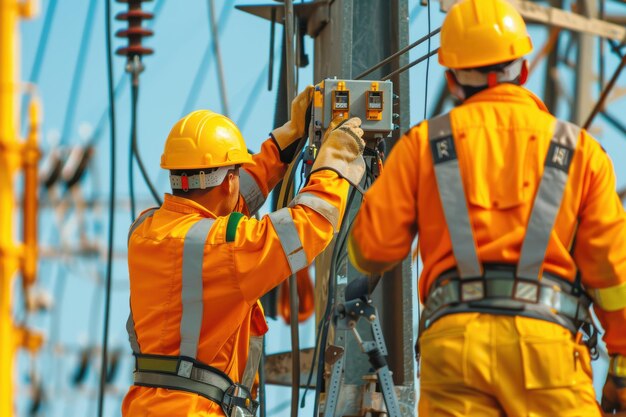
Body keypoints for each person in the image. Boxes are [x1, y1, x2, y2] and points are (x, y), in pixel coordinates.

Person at [347, 0, 626, 415]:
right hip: (546, 348)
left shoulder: (424, 147)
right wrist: (620, 356)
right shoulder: (579, 151)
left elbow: (371, 250)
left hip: (455, 350)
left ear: (453, 80)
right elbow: (612, 273)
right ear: (523, 70)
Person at [121, 86, 366, 416]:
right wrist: (334, 162)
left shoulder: (145, 230)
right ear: (228, 180)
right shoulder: (227, 248)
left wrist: (283, 143)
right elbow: (309, 224)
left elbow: (223, 207)